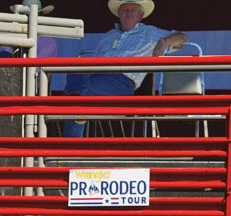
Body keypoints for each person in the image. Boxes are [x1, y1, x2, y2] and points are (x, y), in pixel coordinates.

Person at [63, 0, 188, 137]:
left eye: (132, 10)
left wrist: (164, 42)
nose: (128, 14)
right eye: (125, 10)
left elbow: (182, 37)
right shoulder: (109, 35)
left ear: (141, 15)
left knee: (75, 102)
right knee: (77, 68)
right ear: (119, 14)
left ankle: (69, 143)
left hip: (121, 80)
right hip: (96, 74)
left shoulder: (150, 32)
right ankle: (75, 103)